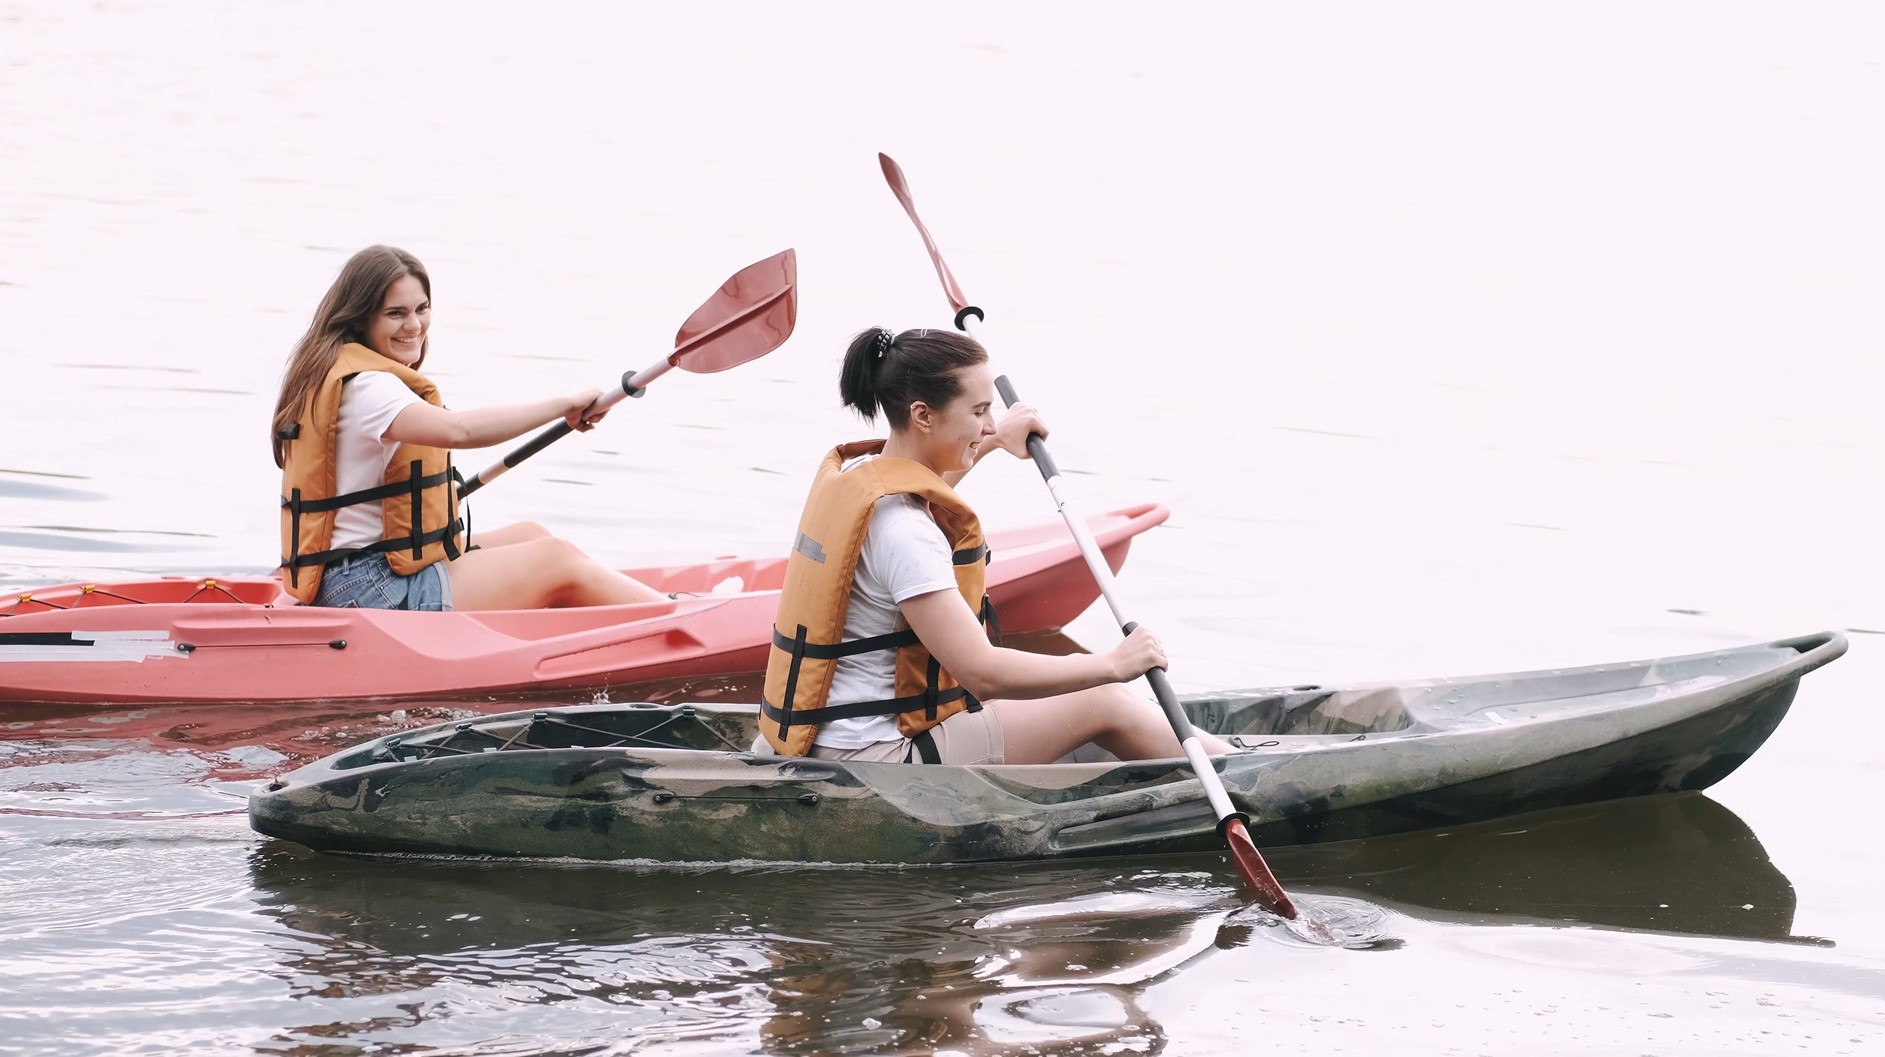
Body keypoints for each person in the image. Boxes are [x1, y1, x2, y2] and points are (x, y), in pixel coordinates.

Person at [757, 326, 1237, 765]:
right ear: (923, 415)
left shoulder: (858, 477)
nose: (990, 423)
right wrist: (1112, 664)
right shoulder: (906, 531)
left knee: (1058, 689)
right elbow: (981, 672)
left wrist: (996, 441)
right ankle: (1243, 773)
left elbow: (928, 481)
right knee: (1103, 700)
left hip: (812, 734)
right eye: (980, 411)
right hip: (873, 757)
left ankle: (1211, 753)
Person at [271, 244, 667, 611]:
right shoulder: (369, 388)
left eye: (421, 309)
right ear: (359, 320)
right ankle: (675, 615)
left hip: (353, 576)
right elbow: (459, 431)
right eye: (396, 313)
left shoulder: (341, 373)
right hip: (370, 588)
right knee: (557, 559)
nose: (414, 325)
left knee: (532, 534)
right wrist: (562, 406)